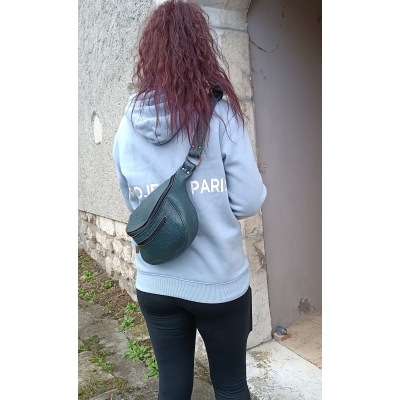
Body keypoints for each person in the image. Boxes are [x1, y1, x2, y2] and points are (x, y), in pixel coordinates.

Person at [113, 1, 267, 399]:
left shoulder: (127, 126)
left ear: (148, 53)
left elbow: (135, 203)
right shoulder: (220, 115)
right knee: (230, 385)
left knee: (173, 384)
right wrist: (211, 208)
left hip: (155, 281)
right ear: (202, 49)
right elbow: (249, 200)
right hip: (218, 282)